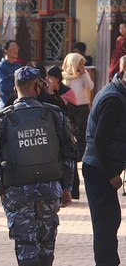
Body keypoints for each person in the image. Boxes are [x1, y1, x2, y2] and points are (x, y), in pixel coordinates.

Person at [0, 66, 77, 266]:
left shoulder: (3, 118)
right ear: (38, 86)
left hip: (17, 191)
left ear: (15, 87)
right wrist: (67, 187)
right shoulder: (54, 114)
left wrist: (0, 190)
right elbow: (69, 154)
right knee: (46, 239)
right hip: (50, 188)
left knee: (25, 241)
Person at [82, 70, 126, 266]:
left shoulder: (117, 93)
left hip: (101, 168)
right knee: (105, 221)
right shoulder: (114, 99)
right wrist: (111, 175)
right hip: (99, 170)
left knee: (111, 219)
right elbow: (100, 141)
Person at [47, 65, 80, 200]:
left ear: (57, 79)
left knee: (70, 160)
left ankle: (72, 190)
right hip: (55, 133)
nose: (48, 81)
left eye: (50, 78)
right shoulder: (49, 94)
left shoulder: (68, 92)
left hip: (68, 129)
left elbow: (75, 112)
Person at [61, 52, 94, 164]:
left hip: (83, 106)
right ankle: (76, 154)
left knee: (84, 130)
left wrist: (84, 73)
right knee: (74, 131)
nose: (81, 66)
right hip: (72, 107)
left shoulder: (84, 75)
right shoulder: (65, 76)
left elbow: (90, 86)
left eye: (82, 64)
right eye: (79, 64)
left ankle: (84, 154)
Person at [0, 40, 22, 110]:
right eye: (13, 49)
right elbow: (3, 85)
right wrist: (19, 86)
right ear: (5, 51)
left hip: (19, 105)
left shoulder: (18, 66)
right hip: (6, 106)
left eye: (17, 48)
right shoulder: (1, 67)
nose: (16, 51)